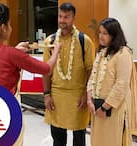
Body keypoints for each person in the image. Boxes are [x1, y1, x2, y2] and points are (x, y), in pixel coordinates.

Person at [0, 3, 60, 146]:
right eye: (9, 24)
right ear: (3, 28)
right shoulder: (12, 54)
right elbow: (46, 69)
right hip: (6, 111)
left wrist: (15, 51)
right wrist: (56, 50)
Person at [42, 2, 94, 146]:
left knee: (79, 139)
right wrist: (46, 94)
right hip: (56, 96)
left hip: (78, 96)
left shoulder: (85, 41)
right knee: (57, 139)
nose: (62, 20)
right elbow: (45, 71)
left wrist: (86, 93)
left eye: (66, 17)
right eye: (60, 16)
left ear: (73, 18)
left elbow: (91, 70)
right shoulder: (50, 41)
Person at [86, 17, 137, 146]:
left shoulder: (123, 54)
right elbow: (92, 78)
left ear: (114, 35)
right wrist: (89, 99)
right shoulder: (101, 52)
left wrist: (105, 107)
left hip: (114, 109)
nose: (101, 36)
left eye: (105, 33)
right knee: (99, 141)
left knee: (113, 141)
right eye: (100, 32)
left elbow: (121, 84)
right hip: (97, 107)